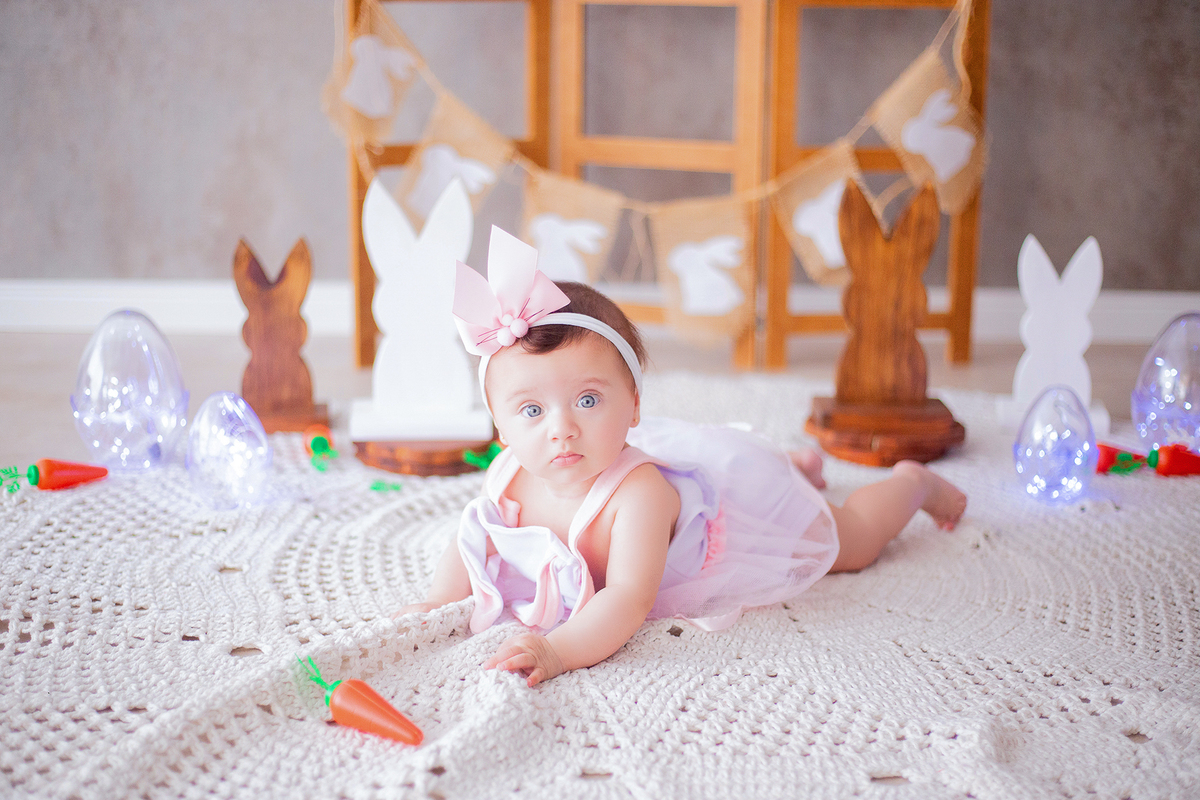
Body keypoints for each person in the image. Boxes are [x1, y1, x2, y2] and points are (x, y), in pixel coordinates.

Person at [396, 227, 966, 687]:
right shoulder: (510, 476)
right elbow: (472, 537)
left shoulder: (638, 497)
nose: (562, 430)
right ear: (498, 425)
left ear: (635, 404)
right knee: (782, 473)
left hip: (731, 524)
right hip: (684, 478)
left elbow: (626, 598)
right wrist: (438, 599)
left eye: (588, 400)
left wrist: (557, 649)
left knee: (850, 541)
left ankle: (910, 484)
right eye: (530, 411)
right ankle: (800, 464)